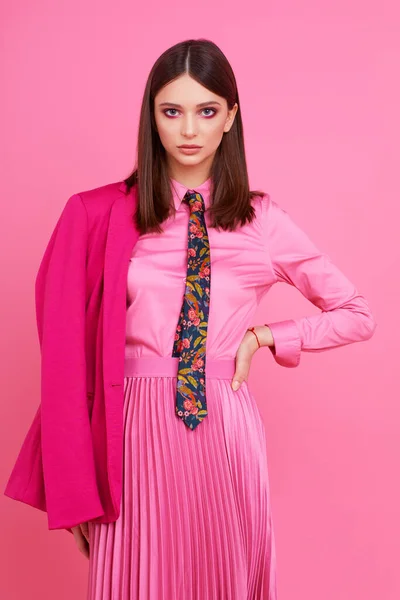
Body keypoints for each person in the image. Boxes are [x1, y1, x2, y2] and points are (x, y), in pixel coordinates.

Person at [4, 39, 376, 599]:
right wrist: (74, 484)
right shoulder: (97, 214)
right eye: (171, 111)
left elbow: (355, 313)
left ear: (230, 117)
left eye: (206, 111)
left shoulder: (262, 220)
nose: (188, 131)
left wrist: (267, 336)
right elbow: (63, 361)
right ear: (151, 118)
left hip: (226, 428)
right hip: (129, 428)